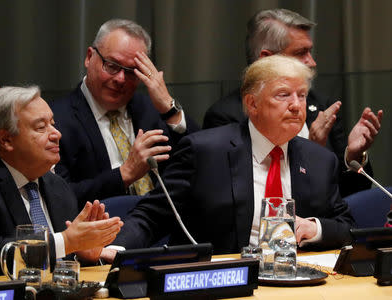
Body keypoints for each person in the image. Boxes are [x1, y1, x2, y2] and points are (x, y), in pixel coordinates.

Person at [108, 55, 355, 256]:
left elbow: (347, 227)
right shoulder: (204, 152)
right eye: (283, 95)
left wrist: (315, 228)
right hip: (223, 281)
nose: (296, 105)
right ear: (252, 104)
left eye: (301, 95)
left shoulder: (320, 160)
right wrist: (116, 249)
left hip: (296, 281)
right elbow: (152, 215)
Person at [202, 8, 383, 197]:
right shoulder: (226, 116)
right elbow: (236, 197)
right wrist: (309, 151)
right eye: (301, 53)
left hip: (315, 225)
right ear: (267, 58)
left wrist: (352, 156)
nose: (311, 62)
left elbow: (351, 195)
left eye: (310, 51)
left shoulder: (321, 106)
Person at [0, 86, 123, 267]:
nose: (56, 134)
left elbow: (64, 262)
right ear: (6, 140)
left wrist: (84, 255)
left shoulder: (57, 185)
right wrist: (65, 242)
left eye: (52, 123)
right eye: (41, 127)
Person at [50, 19, 199, 207]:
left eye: (131, 71)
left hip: (165, 223)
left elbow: (201, 164)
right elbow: (60, 198)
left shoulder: (151, 109)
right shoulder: (56, 120)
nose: (121, 79)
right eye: (112, 65)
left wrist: (170, 109)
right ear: (89, 57)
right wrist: (125, 174)